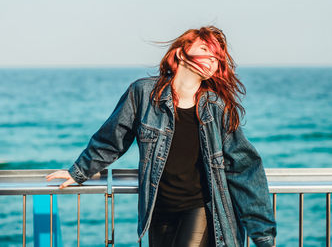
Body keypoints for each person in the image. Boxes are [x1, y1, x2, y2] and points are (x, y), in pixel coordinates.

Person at [46, 26, 277, 247]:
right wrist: (78, 171)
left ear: (215, 70)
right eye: (205, 49)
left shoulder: (217, 108)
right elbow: (113, 138)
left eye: (216, 57)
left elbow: (245, 167)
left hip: (200, 208)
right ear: (180, 52)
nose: (210, 58)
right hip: (158, 210)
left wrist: (263, 236)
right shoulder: (143, 94)